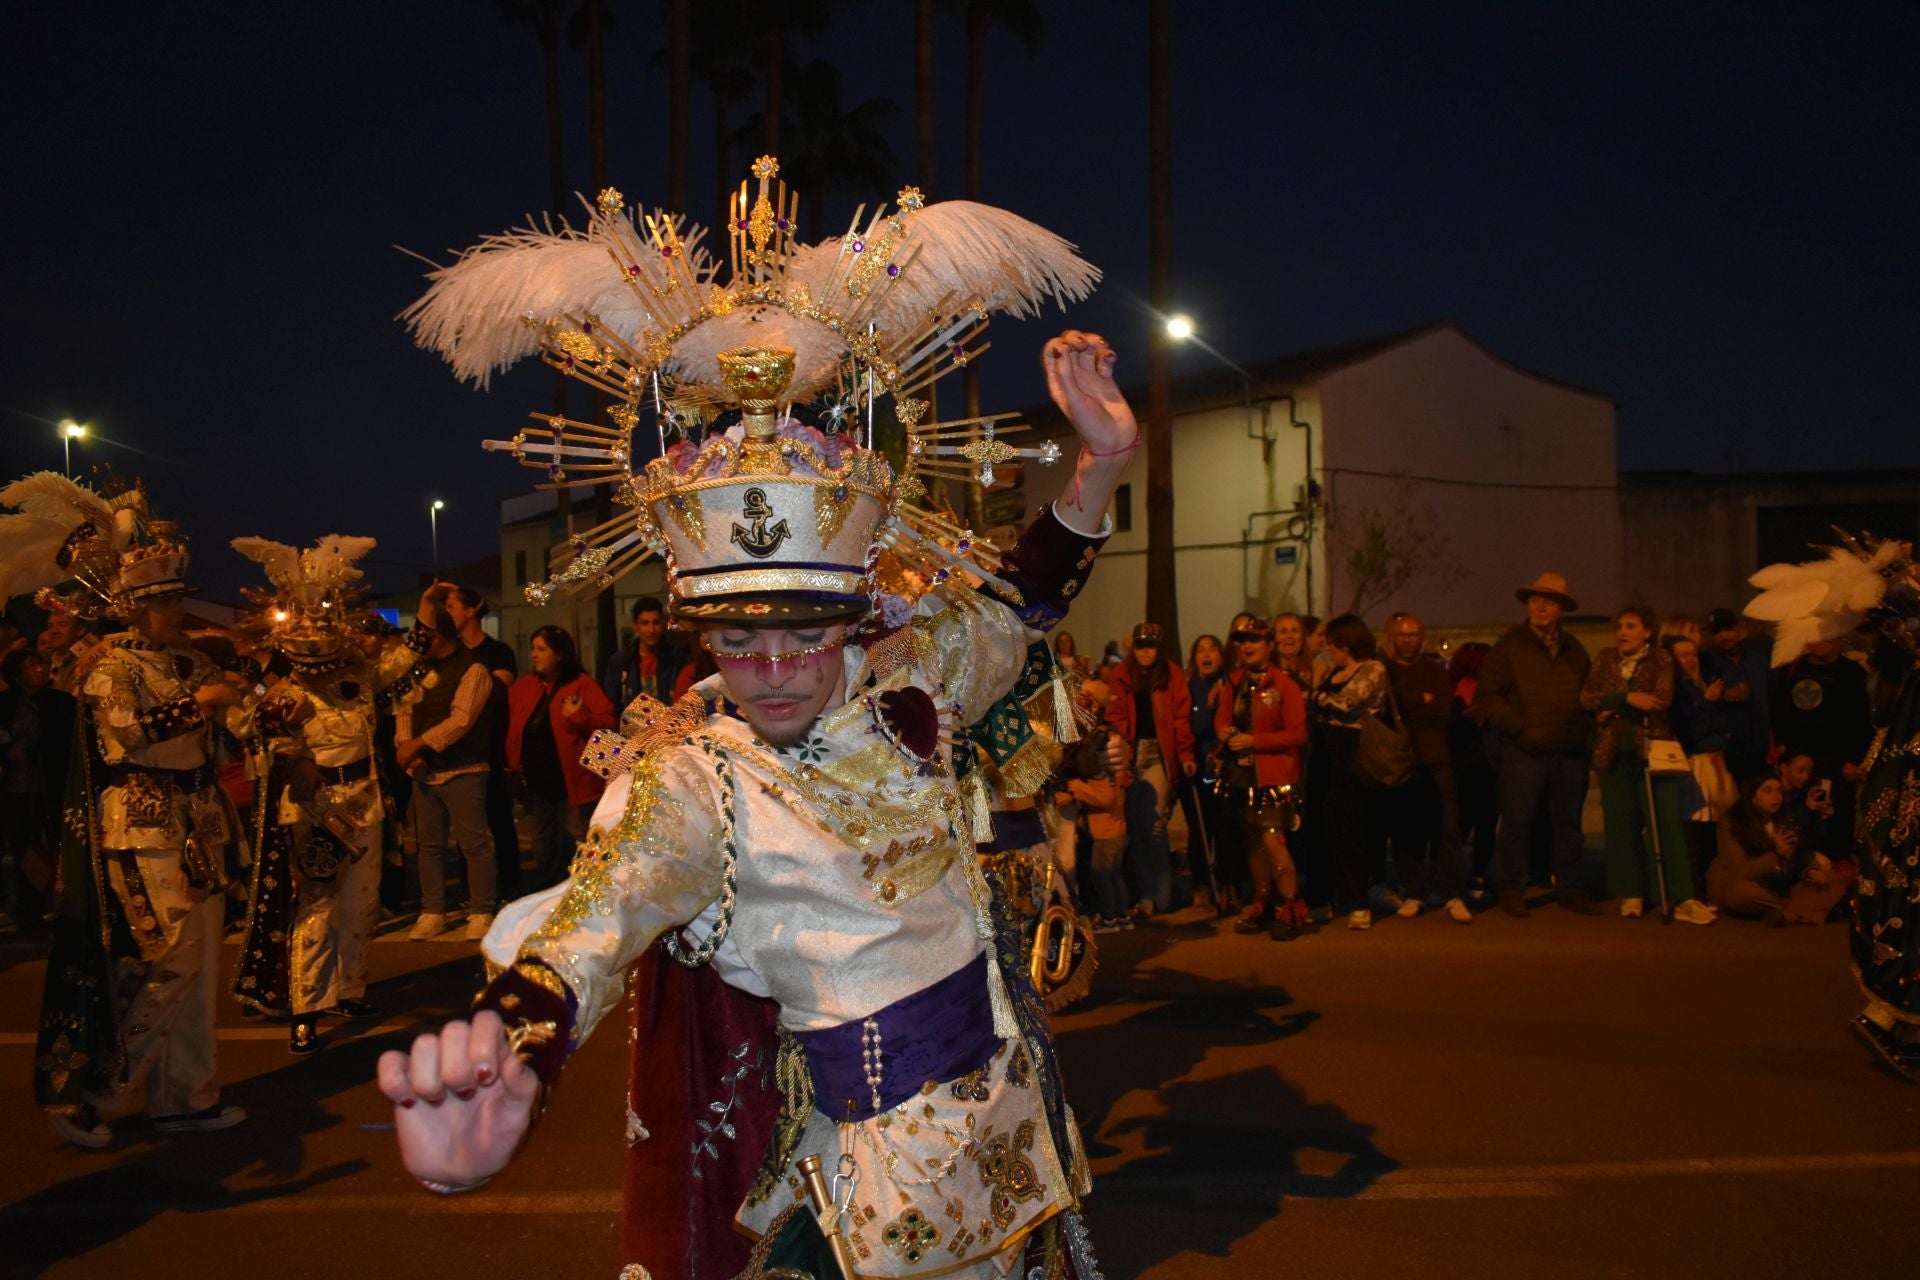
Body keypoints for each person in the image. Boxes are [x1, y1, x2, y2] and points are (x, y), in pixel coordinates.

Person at [381, 256, 1132, 1280]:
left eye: (804, 635)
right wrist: (517, 1052)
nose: (773, 672)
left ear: (852, 618)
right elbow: (597, 915)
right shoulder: (696, 779)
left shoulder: (916, 686)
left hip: (1005, 1140)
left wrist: (1102, 462)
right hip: (874, 1197)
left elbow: (1019, 602)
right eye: (739, 642)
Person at [2, 475, 251, 1145]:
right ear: (136, 607)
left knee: (199, 967)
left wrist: (234, 715)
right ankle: (99, 1092)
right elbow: (127, 735)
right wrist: (202, 704)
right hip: (141, 825)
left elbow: (221, 736)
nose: (177, 610)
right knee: (167, 959)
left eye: (177, 598)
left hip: (197, 821)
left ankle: (185, 1094)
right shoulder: (111, 665)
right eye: (165, 601)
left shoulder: (189, 659)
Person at [229, 534, 428, 1053]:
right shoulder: (284, 695)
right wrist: (290, 751)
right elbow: (254, 735)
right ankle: (308, 1005)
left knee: (362, 907)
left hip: (366, 801)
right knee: (317, 908)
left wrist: (425, 616)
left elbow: (405, 661)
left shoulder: (361, 677)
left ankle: (350, 988)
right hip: (316, 811)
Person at [1473, 572, 1601, 917]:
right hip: (1524, 751)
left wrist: (1584, 730)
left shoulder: (1575, 649)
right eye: (1535, 599)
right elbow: (1488, 695)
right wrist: (1520, 728)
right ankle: (1512, 889)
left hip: (1568, 750)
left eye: (1549, 601)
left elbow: (1587, 695)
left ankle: (1570, 887)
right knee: (1517, 822)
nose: (1540, 606)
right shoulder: (1510, 646)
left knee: (1569, 825)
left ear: (1562, 609)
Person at [1580, 605, 1713, 924]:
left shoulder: (1660, 659)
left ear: (1647, 631)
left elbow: (1661, 698)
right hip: (1614, 752)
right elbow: (1587, 697)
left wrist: (1611, 703)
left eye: (1630, 626)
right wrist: (1624, 700)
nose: (1622, 633)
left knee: (1665, 825)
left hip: (1653, 750)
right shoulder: (1606, 658)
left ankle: (1678, 895)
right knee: (1621, 826)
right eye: (1619, 627)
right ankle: (1630, 893)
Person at [397, 585, 499, 941]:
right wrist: (406, 748)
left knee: (474, 844)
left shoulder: (474, 668)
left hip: (465, 768)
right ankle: (433, 910)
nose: (419, 640)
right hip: (425, 770)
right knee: (428, 846)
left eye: (424, 633)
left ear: (439, 634)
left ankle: (482, 910)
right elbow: (405, 709)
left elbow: (461, 720)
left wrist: (417, 745)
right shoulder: (418, 670)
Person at [1217, 619, 1310, 939]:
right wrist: (1226, 733)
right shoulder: (1233, 683)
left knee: (1273, 840)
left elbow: (1298, 733)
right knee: (1255, 843)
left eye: (1254, 639)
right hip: (1243, 776)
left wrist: (1253, 741)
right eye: (1242, 640)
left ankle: (1292, 905)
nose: (1246, 645)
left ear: (1269, 646)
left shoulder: (1285, 685)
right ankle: (1264, 903)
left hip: (1274, 776)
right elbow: (1221, 720)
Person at [506, 624, 617, 890]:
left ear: (559, 654)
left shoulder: (582, 684)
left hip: (573, 785)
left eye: (542, 649)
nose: (534, 654)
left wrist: (579, 717)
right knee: (543, 844)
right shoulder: (526, 687)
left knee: (574, 840)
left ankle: (578, 895)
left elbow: (610, 721)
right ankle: (548, 897)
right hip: (537, 784)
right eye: (533, 648)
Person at [1382, 612, 1472, 923]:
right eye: (1401, 634)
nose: (1407, 639)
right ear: (1393, 638)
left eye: (1413, 634)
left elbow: (1442, 710)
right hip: (1404, 762)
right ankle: (1415, 891)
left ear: (1422, 637)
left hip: (1436, 758)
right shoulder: (1386, 673)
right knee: (1407, 830)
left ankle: (1451, 893)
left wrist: (1413, 705)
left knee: (1447, 828)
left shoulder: (1435, 670)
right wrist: (1420, 701)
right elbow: (1391, 710)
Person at [1104, 621, 1195, 916]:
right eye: (1141, 646)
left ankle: (1162, 889)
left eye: (1150, 646)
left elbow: (1181, 719)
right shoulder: (1121, 675)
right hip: (1131, 752)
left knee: (1154, 824)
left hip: (1159, 753)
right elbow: (1115, 716)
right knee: (1136, 826)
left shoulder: (1172, 675)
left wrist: (1185, 754)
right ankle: (1146, 894)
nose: (1145, 652)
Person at [1310, 613, 1391, 930]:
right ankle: (1328, 897)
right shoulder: (1333, 670)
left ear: (1348, 643)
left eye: (1333, 643)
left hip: (1353, 755)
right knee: (1323, 828)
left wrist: (1315, 696)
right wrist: (1318, 697)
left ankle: (1358, 900)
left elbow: (1346, 703)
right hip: (1325, 755)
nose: (1328, 649)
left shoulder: (1373, 668)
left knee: (1351, 830)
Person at [443, 584, 523, 900]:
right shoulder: (451, 654)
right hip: (458, 748)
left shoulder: (498, 652)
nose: (447, 613)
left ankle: (510, 885)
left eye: (451, 606)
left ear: (471, 609)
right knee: (466, 827)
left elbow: (494, 693)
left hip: (491, 746)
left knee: (499, 820)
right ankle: (472, 891)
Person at [1770, 636, 1873, 861]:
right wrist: (1786, 753)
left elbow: (1861, 723)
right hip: (1799, 764)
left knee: (1834, 822)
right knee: (1799, 823)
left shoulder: (1852, 673)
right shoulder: (1790, 671)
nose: (1819, 640)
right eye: (1813, 634)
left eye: (1826, 634)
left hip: (1840, 764)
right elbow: (1778, 715)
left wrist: (1853, 761)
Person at [0, 647, 72, 928]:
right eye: (32, 666)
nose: (40, 670)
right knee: (21, 842)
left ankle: (53, 901)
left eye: (41, 664)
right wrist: (8, 750)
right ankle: (27, 904)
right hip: (16, 786)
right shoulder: (5, 703)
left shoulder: (60, 702)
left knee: (52, 841)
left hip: (51, 784)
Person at [1664, 633, 1738, 896]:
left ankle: (1710, 888)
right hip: (1695, 767)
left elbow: (1721, 728)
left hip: (1714, 763)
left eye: (1693, 654)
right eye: (1683, 655)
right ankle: (1692, 891)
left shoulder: (1698, 686)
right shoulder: (1679, 692)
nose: (1690, 660)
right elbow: (1692, 733)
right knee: (1695, 832)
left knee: (1713, 833)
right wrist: (1707, 705)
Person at [1182, 633, 1228, 910]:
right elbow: (1194, 727)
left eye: (1213, 649)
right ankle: (1201, 885)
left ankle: (1226, 884)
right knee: (1199, 829)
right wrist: (1210, 706)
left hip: (1224, 767)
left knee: (1224, 829)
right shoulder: (1191, 687)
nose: (1207, 654)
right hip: (1198, 766)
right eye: (1201, 650)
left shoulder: (1230, 683)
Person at [1447, 641, 1498, 885]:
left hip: (1461, 766)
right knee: (1486, 824)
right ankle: (1479, 875)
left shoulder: (1452, 689)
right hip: (1486, 765)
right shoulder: (1485, 691)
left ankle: (1451, 875)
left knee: (1461, 824)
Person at [1701, 607, 1774, 781]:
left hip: (1760, 744)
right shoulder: (1705, 662)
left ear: (1738, 630)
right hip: (1726, 748)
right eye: (1717, 631)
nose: (1724, 636)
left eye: (1728, 629)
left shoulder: (1759, 659)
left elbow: (1773, 698)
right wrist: (1722, 697)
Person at [603, 594, 684, 709]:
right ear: (635, 626)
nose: (651, 630)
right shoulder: (620, 662)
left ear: (662, 624)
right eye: (645, 623)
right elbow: (612, 704)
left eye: (656, 623)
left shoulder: (676, 659)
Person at [35, 606, 98, 694]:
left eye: (62, 625)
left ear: (80, 630)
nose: (54, 631)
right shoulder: (43, 662)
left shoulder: (92, 660)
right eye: (50, 626)